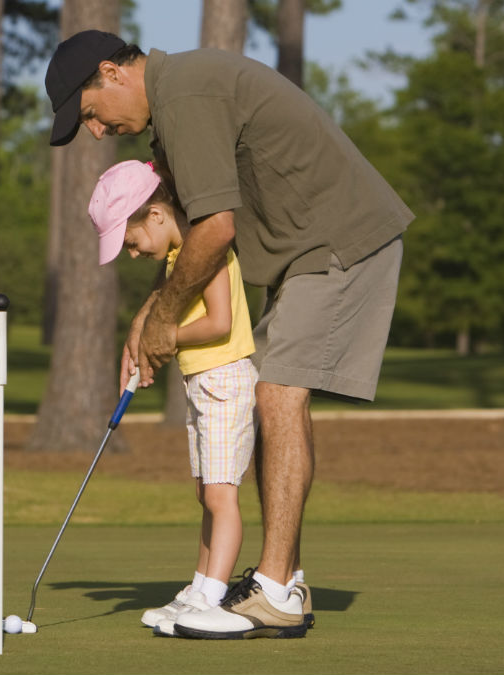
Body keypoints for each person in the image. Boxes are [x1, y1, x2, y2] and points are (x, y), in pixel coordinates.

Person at [44, 30, 412, 639]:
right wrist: (146, 318)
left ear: (110, 73)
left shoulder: (186, 93)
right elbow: (191, 233)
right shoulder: (173, 110)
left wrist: (164, 319)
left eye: (89, 114)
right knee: (269, 396)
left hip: (341, 240)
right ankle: (278, 577)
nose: (96, 131)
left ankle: (275, 592)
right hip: (304, 253)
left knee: (278, 393)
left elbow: (214, 230)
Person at [88, 159, 259, 636]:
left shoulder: (208, 252)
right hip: (202, 382)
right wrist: (148, 339)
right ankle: (200, 585)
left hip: (225, 378)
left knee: (222, 497)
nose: (132, 254)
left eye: (131, 240)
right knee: (206, 494)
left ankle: (213, 596)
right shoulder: (174, 260)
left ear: (157, 216)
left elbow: (220, 322)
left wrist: (164, 337)